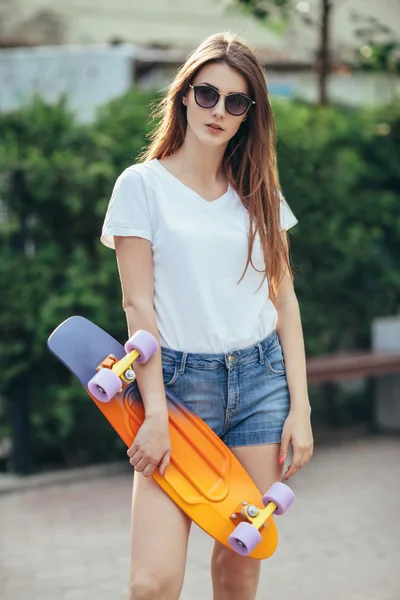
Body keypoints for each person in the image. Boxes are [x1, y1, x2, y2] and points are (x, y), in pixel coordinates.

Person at [101, 31, 313, 600]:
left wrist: (302, 408)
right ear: (184, 97)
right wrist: (152, 413)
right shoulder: (140, 187)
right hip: (175, 389)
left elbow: (285, 302)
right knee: (152, 583)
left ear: (249, 115)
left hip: (261, 389)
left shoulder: (260, 194)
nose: (218, 110)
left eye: (235, 101)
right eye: (207, 94)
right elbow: (137, 305)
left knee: (239, 571)